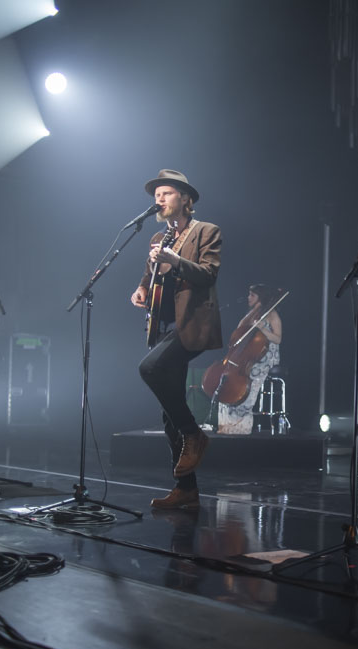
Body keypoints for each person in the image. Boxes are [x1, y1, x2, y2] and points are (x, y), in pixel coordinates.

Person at [130, 169, 222, 510]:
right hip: (163, 326)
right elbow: (148, 276)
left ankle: (194, 434)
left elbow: (208, 273)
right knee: (168, 413)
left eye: (166, 193)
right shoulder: (158, 238)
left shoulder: (206, 232)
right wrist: (140, 288)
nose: (159, 198)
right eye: (157, 194)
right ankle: (186, 489)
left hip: (191, 326)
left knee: (149, 369)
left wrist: (176, 261)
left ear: (186, 199)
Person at [216, 284, 283, 435]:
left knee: (245, 388)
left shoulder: (272, 315)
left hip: (265, 358)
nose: (248, 297)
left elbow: (278, 339)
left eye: (252, 295)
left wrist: (262, 329)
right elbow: (238, 334)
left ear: (260, 297)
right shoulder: (251, 314)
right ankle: (226, 426)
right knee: (226, 385)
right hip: (248, 358)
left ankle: (240, 427)